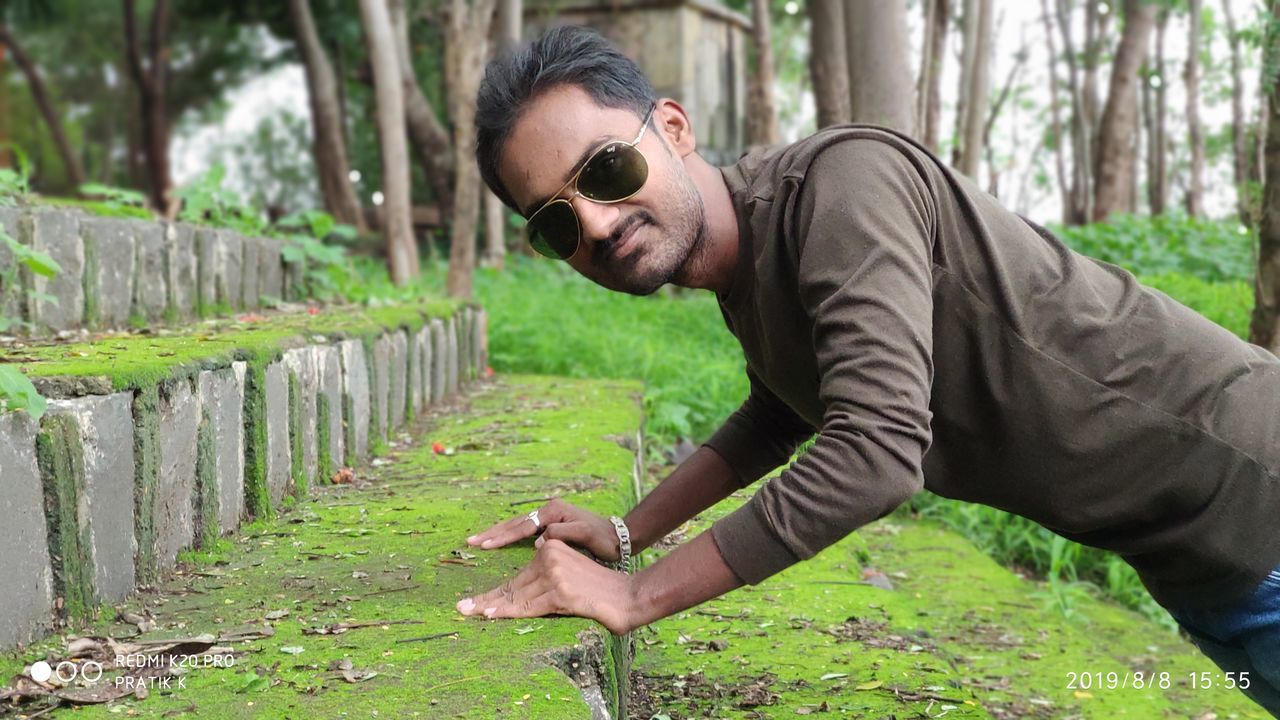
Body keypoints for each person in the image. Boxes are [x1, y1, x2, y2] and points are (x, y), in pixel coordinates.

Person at [453, 25, 1280, 715]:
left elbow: (880, 451)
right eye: (556, 222)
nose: (594, 224)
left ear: (673, 128)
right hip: (1200, 560)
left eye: (604, 169)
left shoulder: (843, 185)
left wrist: (634, 597)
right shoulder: (754, 269)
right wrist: (630, 533)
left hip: (1256, 493)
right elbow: (780, 411)